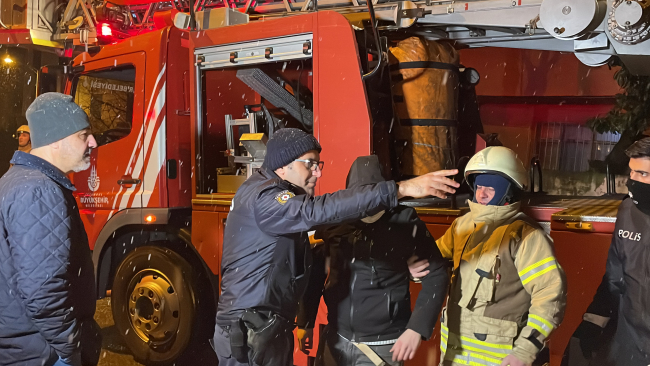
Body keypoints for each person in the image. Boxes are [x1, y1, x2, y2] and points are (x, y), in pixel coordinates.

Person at [213, 128, 460, 366]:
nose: (317, 173)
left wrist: (400, 274)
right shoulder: (267, 199)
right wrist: (400, 188)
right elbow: (316, 219)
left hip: (265, 328)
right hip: (253, 331)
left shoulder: (403, 223)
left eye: (317, 165)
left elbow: (313, 264)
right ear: (282, 166)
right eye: (309, 163)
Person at [296, 155, 450, 366]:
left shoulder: (404, 222)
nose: (368, 205)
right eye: (361, 196)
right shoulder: (336, 222)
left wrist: (417, 328)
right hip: (336, 337)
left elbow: (438, 274)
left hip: (383, 345)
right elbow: (316, 272)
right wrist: (306, 322)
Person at [428, 146, 566, 366]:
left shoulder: (525, 237)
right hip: (454, 356)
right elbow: (432, 258)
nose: (481, 195)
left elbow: (550, 298)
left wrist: (524, 351)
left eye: (490, 189)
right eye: (479, 186)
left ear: (508, 192)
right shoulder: (462, 225)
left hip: (501, 360)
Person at [0, 93, 102, 366]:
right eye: (84, 135)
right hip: (43, 352)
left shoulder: (19, 180)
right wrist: (71, 349)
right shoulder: (39, 189)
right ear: (57, 141)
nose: (93, 142)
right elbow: (43, 290)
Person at [567, 137, 650, 366]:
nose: (633, 180)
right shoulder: (627, 211)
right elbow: (615, 275)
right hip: (629, 345)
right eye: (631, 172)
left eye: (642, 174)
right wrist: (594, 319)